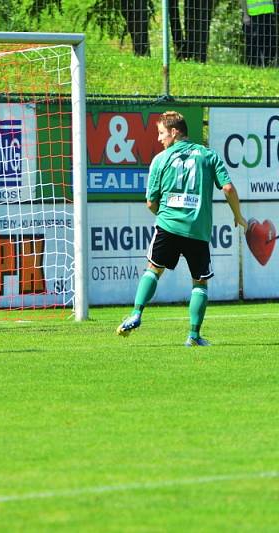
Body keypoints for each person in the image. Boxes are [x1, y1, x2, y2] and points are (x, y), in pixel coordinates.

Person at [116, 111, 247, 347]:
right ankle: (194, 336)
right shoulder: (208, 155)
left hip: (167, 225)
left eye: (161, 133)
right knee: (199, 282)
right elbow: (227, 188)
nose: (159, 139)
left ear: (175, 132)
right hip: (197, 229)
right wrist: (238, 216)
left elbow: (150, 202)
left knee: (153, 270)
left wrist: (165, 215)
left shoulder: (160, 160)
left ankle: (136, 313)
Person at [241, 0, 278, 67]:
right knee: (254, 44)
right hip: (253, 15)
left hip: (268, 14)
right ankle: (253, 66)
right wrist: (245, 15)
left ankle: (268, 66)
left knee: (271, 43)